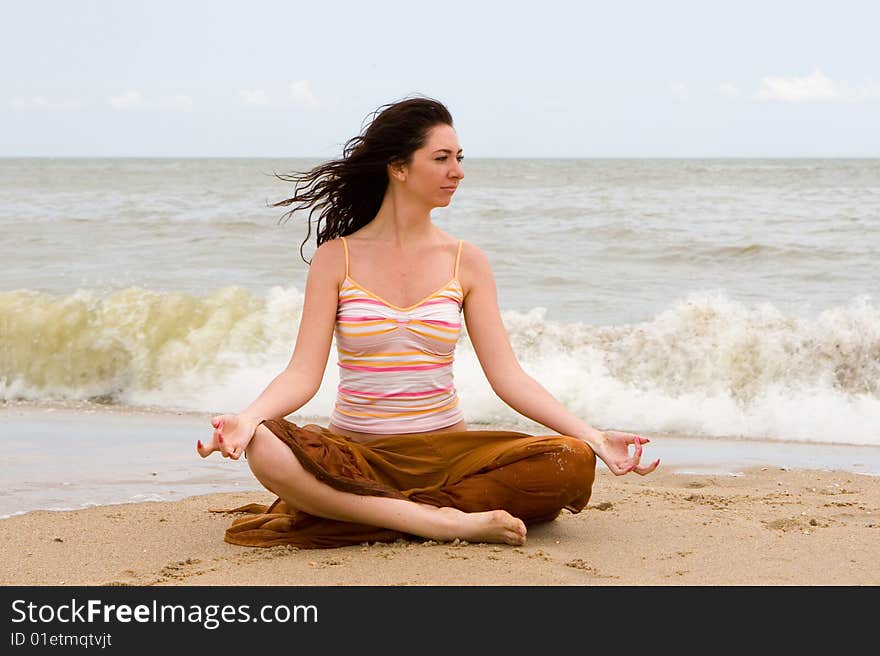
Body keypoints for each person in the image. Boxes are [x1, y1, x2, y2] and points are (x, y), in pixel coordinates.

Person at [197, 96, 659, 549]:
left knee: (572, 460)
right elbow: (303, 373)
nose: (457, 171)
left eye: (458, 158)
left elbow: (508, 377)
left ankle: (360, 511)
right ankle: (433, 521)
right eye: (441, 158)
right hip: (358, 455)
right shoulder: (335, 259)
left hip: (447, 459)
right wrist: (249, 417)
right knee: (263, 445)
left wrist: (593, 436)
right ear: (399, 168)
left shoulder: (467, 261)